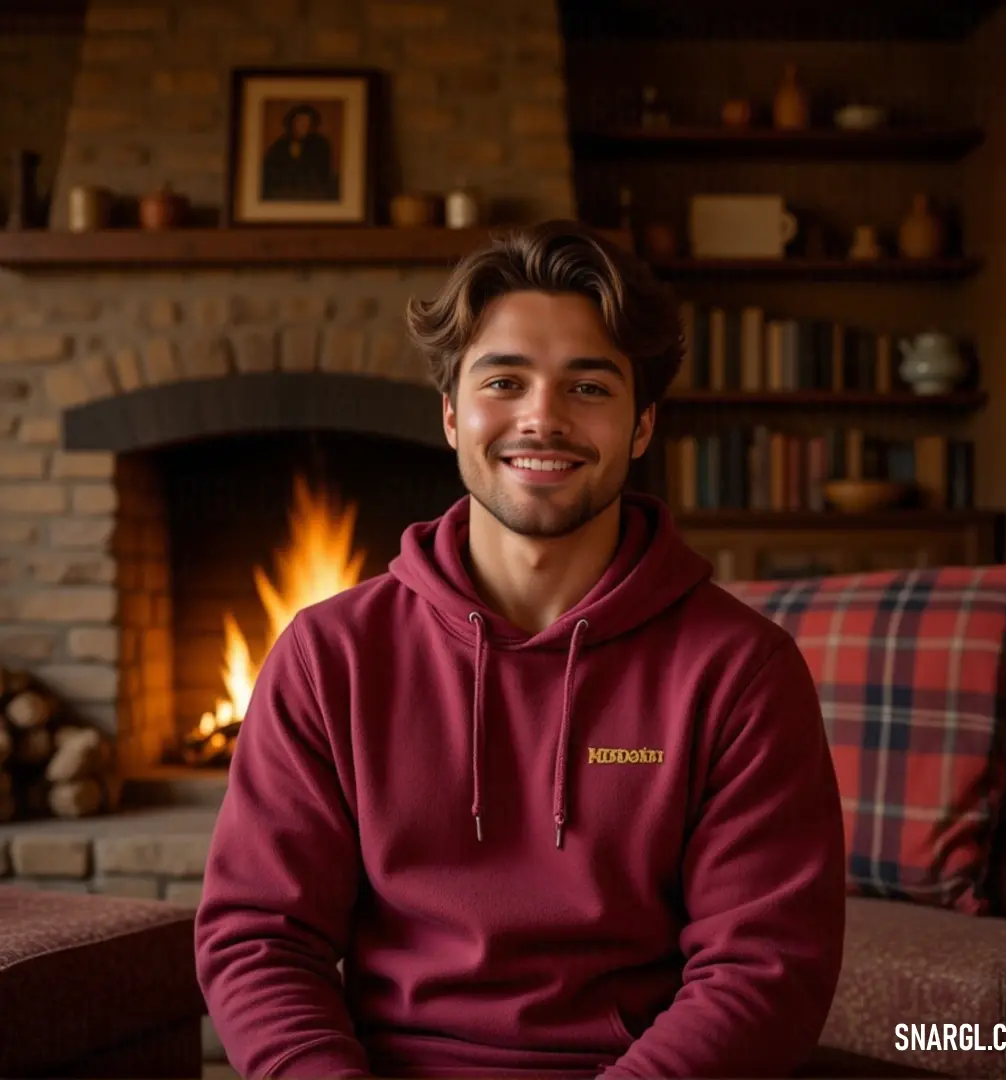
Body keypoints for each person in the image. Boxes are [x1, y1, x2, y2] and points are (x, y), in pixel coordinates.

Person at [194, 220, 847, 1079]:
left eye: (589, 387)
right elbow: (261, 939)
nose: (542, 419)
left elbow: (766, 970)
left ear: (643, 425)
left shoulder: (742, 671)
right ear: (451, 413)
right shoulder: (329, 656)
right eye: (505, 380)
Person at [261, 102, 339, 202]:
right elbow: (269, 173)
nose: (301, 127)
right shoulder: (280, 145)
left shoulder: (321, 145)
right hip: (284, 193)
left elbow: (323, 175)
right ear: (292, 124)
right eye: (298, 122)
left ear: (311, 125)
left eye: (305, 123)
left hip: (312, 193)